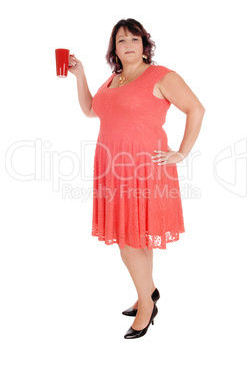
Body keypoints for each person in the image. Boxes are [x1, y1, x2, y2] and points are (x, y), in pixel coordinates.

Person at [68, 18, 205, 339]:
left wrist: (181, 153)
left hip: (145, 168)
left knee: (129, 242)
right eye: (121, 41)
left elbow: (196, 109)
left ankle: (147, 306)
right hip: (111, 167)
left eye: (134, 39)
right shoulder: (114, 79)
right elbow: (91, 110)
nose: (128, 45)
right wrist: (81, 75)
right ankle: (149, 292)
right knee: (137, 237)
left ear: (145, 44)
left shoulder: (161, 76)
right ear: (113, 49)